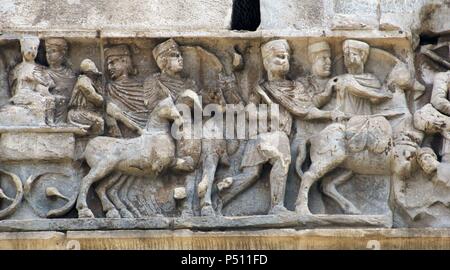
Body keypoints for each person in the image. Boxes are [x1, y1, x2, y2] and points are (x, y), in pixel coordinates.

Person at [67, 59, 104, 135]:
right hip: (78, 112)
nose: (96, 78)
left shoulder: (90, 81)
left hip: (86, 111)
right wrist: (101, 99)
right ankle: (91, 140)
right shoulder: (83, 81)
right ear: (90, 73)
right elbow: (94, 97)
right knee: (99, 121)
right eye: (95, 75)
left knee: (105, 117)